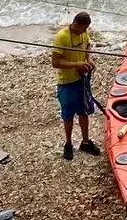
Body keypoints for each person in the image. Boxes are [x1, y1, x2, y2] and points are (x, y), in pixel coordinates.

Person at [49, 11, 97, 160]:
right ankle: (68, 143)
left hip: (82, 80)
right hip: (67, 82)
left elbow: (88, 47)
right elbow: (55, 62)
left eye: (86, 29)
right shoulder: (61, 37)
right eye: (83, 28)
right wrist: (76, 65)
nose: (85, 31)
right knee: (68, 114)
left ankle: (85, 141)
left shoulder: (83, 33)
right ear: (75, 24)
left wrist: (89, 59)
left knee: (84, 111)